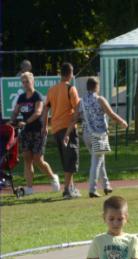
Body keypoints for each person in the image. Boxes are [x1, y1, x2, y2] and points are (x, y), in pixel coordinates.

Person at [64, 77, 128, 198]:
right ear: (97, 87)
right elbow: (111, 114)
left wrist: (67, 134)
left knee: (99, 159)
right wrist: (122, 122)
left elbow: (74, 119)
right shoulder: (100, 99)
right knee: (97, 161)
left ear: (88, 86)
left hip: (87, 135)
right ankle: (92, 189)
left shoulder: (80, 102)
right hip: (99, 134)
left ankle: (106, 185)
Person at [10, 72, 60, 196]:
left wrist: (25, 122)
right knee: (27, 159)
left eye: (27, 81)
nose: (25, 84)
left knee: (38, 159)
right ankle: (29, 188)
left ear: (33, 82)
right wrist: (12, 119)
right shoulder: (21, 97)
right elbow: (15, 111)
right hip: (26, 133)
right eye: (23, 82)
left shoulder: (37, 96)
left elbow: (38, 112)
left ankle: (53, 177)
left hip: (39, 131)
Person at [43, 62, 81, 199]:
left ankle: (71, 188)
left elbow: (45, 109)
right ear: (71, 74)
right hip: (67, 129)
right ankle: (67, 190)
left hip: (56, 129)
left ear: (60, 74)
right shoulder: (71, 89)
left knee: (66, 160)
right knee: (71, 158)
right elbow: (77, 111)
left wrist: (44, 127)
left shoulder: (52, 90)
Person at [87, 195, 138, 259]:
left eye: (120, 219)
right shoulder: (98, 241)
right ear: (104, 218)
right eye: (111, 219)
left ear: (126, 218)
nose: (116, 223)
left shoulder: (133, 240)